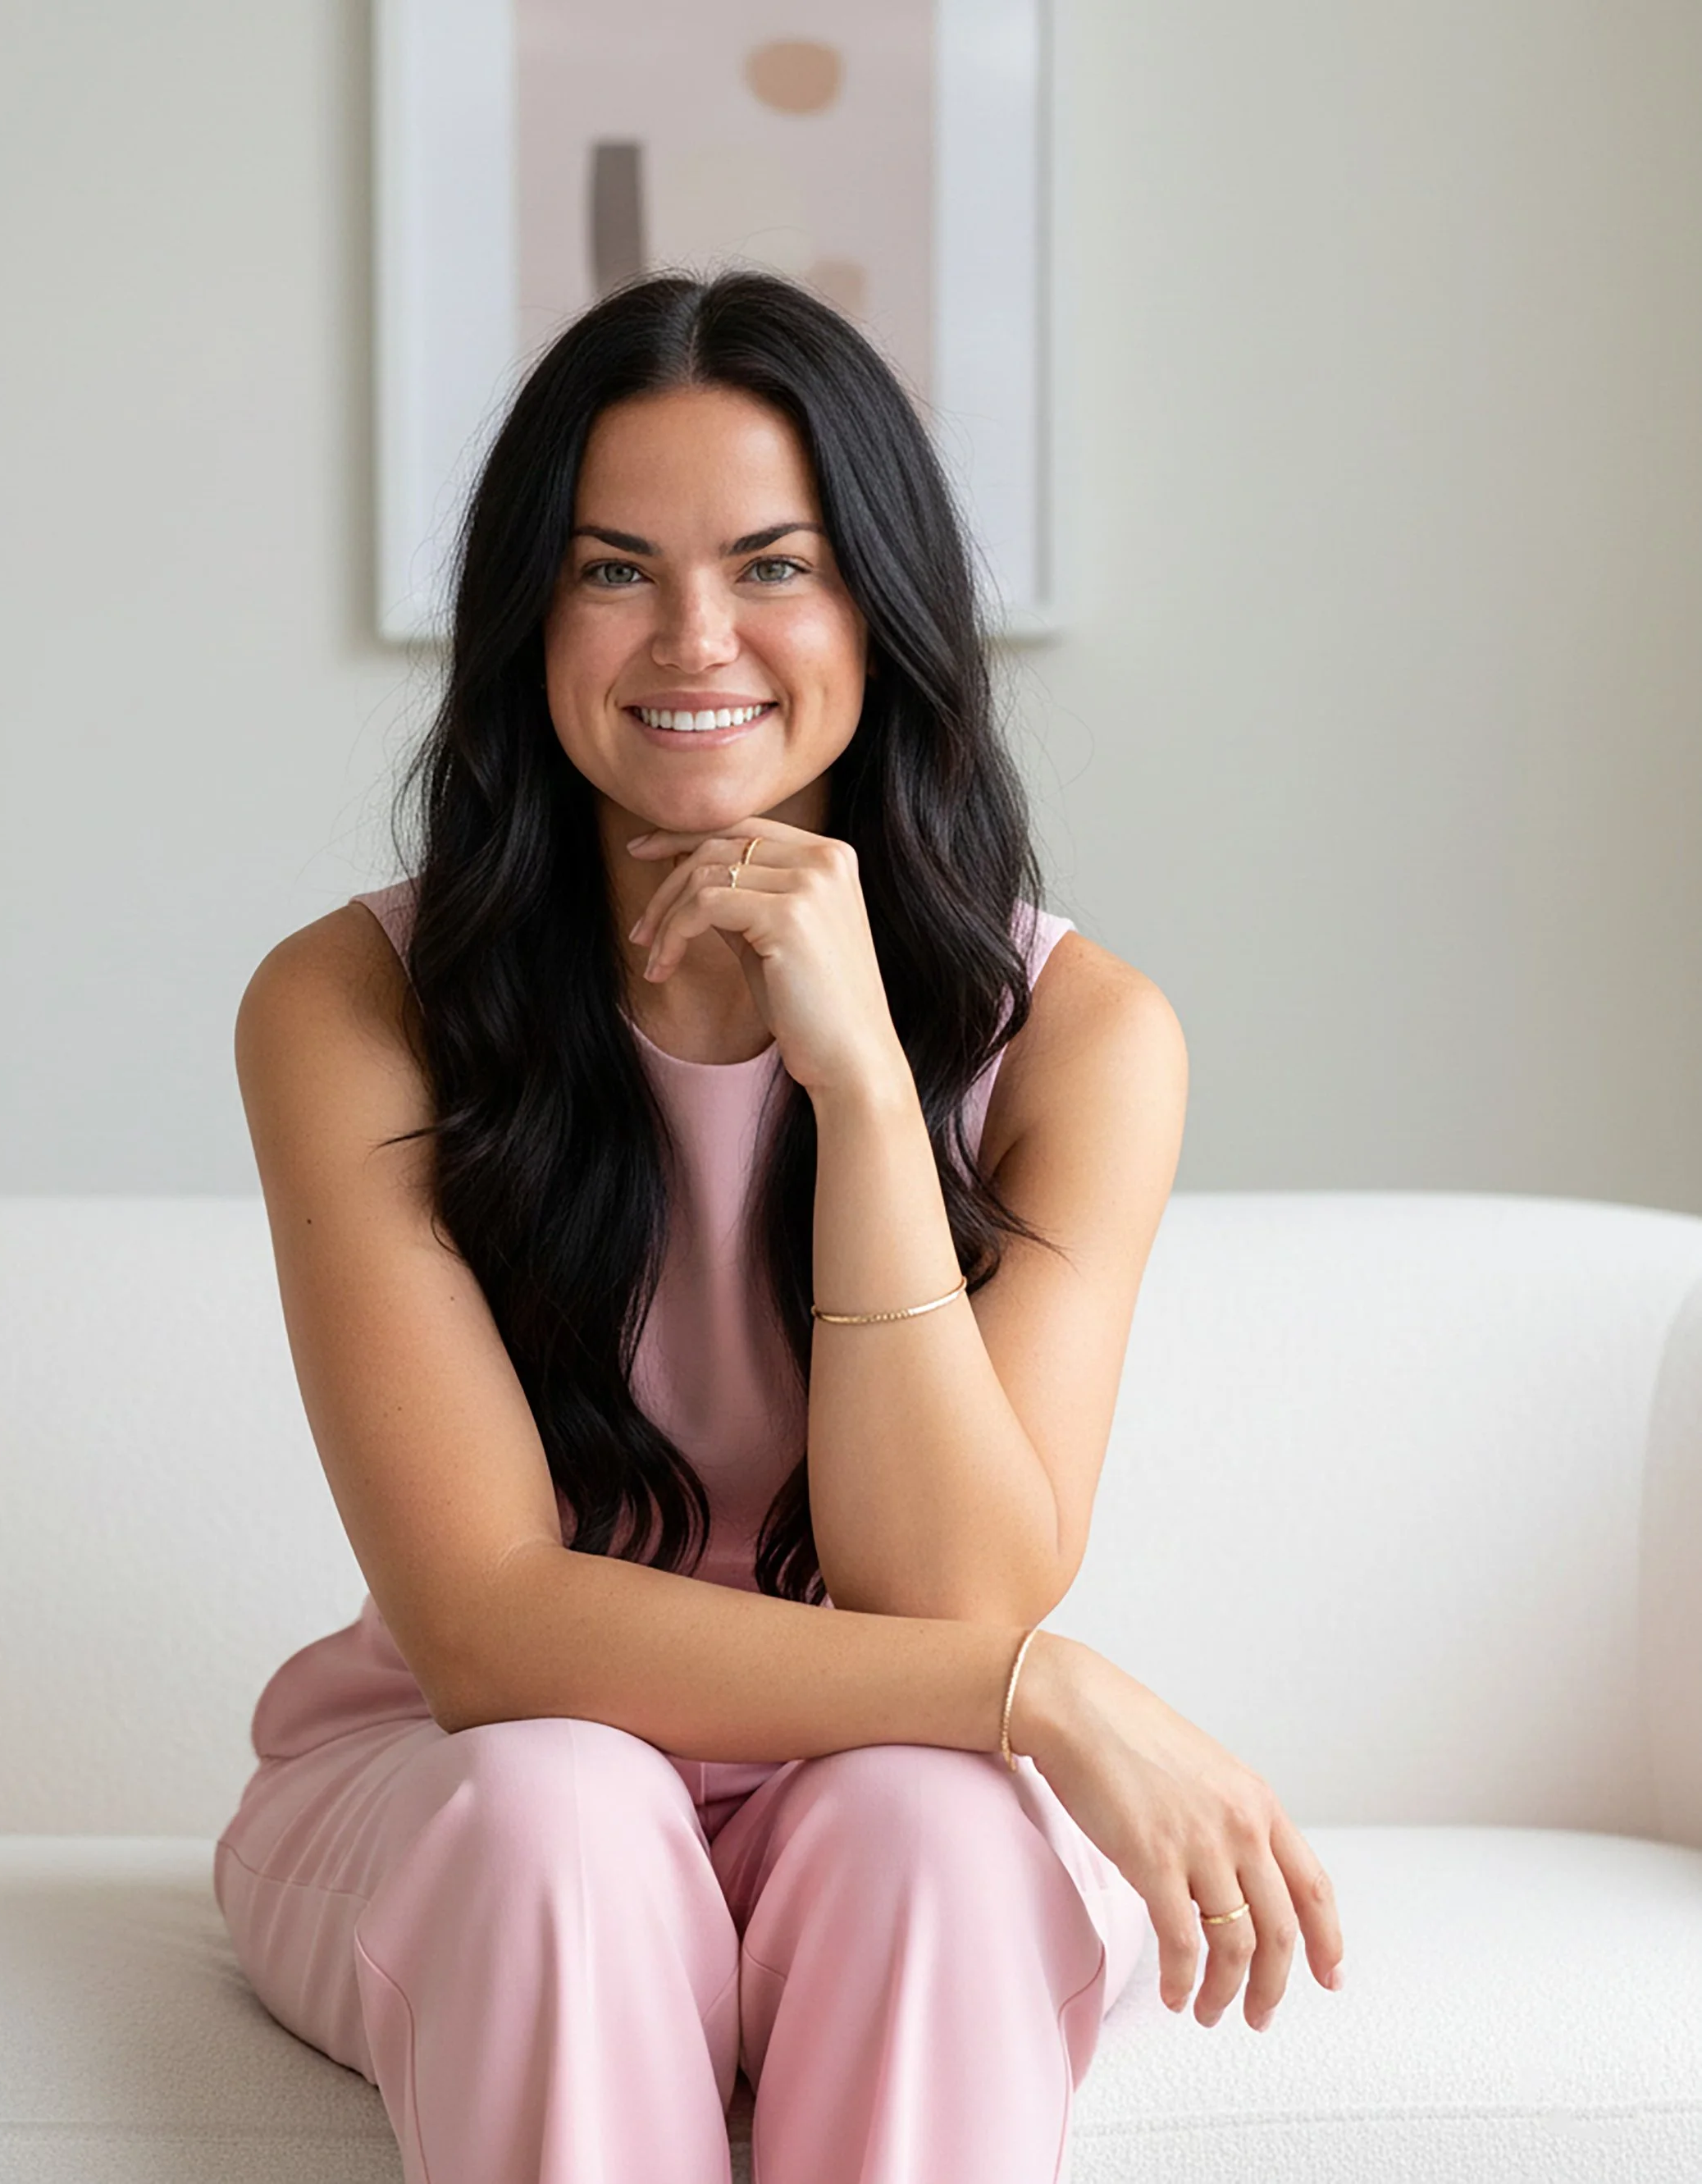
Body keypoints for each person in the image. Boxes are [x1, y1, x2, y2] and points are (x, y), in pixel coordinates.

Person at [215, 267, 1344, 2184]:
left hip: (867, 1783)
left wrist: (868, 1085)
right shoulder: (348, 1006)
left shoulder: (1080, 1034)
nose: (692, 638)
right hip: (463, 1787)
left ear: (877, 607)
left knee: (923, 1826)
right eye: (609, 569)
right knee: (565, 1809)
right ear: (527, 617)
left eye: (772, 564)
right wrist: (1031, 1691)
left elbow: (950, 1580)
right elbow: (488, 1632)